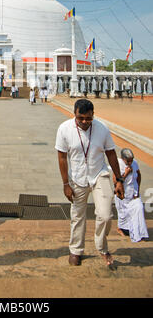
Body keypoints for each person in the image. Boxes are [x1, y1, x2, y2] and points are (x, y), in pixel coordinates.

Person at [55, 99, 124, 267]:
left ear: (93, 115)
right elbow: (62, 158)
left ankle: (101, 246)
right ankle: (76, 250)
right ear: (74, 114)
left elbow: (111, 153)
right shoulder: (64, 129)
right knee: (78, 216)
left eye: (88, 118)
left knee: (106, 215)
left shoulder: (102, 129)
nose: (85, 122)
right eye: (81, 118)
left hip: (99, 174)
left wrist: (119, 179)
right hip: (77, 177)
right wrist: (65, 184)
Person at [113, 148, 149, 242]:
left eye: (131, 160)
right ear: (123, 159)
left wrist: (138, 189)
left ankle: (139, 233)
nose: (130, 162)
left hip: (134, 193)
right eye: (128, 161)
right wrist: (126, 173)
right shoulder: (118, 164)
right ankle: (121, 229)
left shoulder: (135, 163)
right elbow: (115, 181)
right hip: (123, 194)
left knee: (139, 209)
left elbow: (138, 175)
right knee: (124, 214)